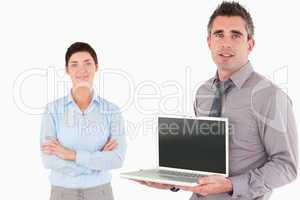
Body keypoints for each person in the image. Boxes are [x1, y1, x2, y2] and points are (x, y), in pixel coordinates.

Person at [137, 2, 298, 199]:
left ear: (250, 44)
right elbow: (201, 158)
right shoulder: (203, 92)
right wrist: (174, 181)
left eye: (236, 35)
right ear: (209, 42)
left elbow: (286, 167)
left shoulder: (270, 96)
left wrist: (231, 185)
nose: (226, 43)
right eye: (219, 34)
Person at [40, 42, 126, 200]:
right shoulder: (52, 110)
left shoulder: (112, 110)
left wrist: (72, 155)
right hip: (62, 193)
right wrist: (96, 162)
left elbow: (117, 159)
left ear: (96, 67)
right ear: (67, 70)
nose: (82, 70)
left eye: (87, 63)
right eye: (74, 65)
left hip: (101, 193)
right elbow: (49, 160)